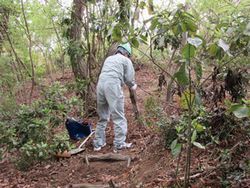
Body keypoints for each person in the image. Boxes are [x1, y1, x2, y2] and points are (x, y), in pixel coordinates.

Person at [93, 43, 137, 152]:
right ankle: (119, 144)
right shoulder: (126, 60)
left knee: (102, 116)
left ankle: (98, 144)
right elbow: (129, 78)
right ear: (126, 53)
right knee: (118, 115)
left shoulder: (109, 58)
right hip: (112, 85)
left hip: (100, 85)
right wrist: (133, 85)